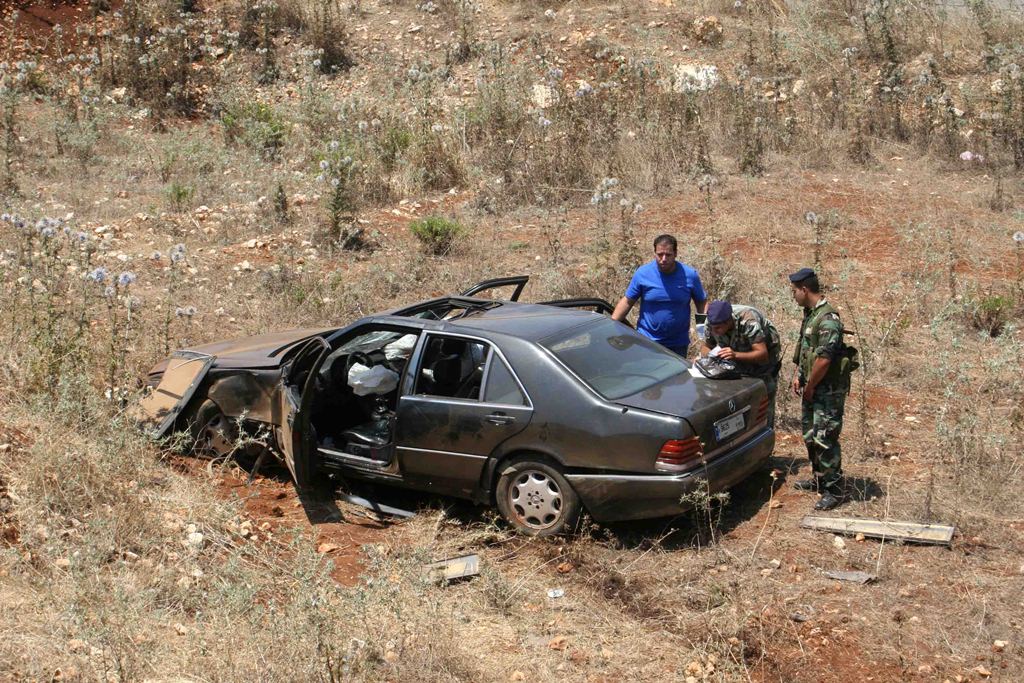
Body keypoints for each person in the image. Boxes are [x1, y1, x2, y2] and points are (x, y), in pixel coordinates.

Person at [788, 268, 850, 511]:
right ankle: (819, 478)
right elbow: (805, 349)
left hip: (827, 389)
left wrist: (811, 386)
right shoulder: (810, 314)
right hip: (812, 385)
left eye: (794, 291)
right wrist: (798, 375)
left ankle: (834, 489)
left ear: (805, 289)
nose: (793, 295)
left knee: (825, 438)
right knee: (810, 434)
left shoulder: (828, 320)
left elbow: (824, 359)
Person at [611, 234, 707, 356]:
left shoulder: (689, 275)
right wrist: (611, 325)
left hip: (678, 343)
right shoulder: (643, 274)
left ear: (676, 253)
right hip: (647, 340)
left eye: (668, 255)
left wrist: (702, 330)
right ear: (654, 253)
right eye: (660, 254)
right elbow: (628, 301)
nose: (664, 259)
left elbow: (701, 301)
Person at [699, 300, 782, 428]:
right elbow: (705, 347)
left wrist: (735, 355)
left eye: (718, 328)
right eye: (712, 328)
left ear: (728, 322)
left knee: (763, 402)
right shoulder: (711, 322)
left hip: (763, 366)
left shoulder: (748, 320)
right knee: (737, 404)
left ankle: (764, 434)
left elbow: (762, 355)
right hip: (734, 362)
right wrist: (713, 356)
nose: (714, 331)